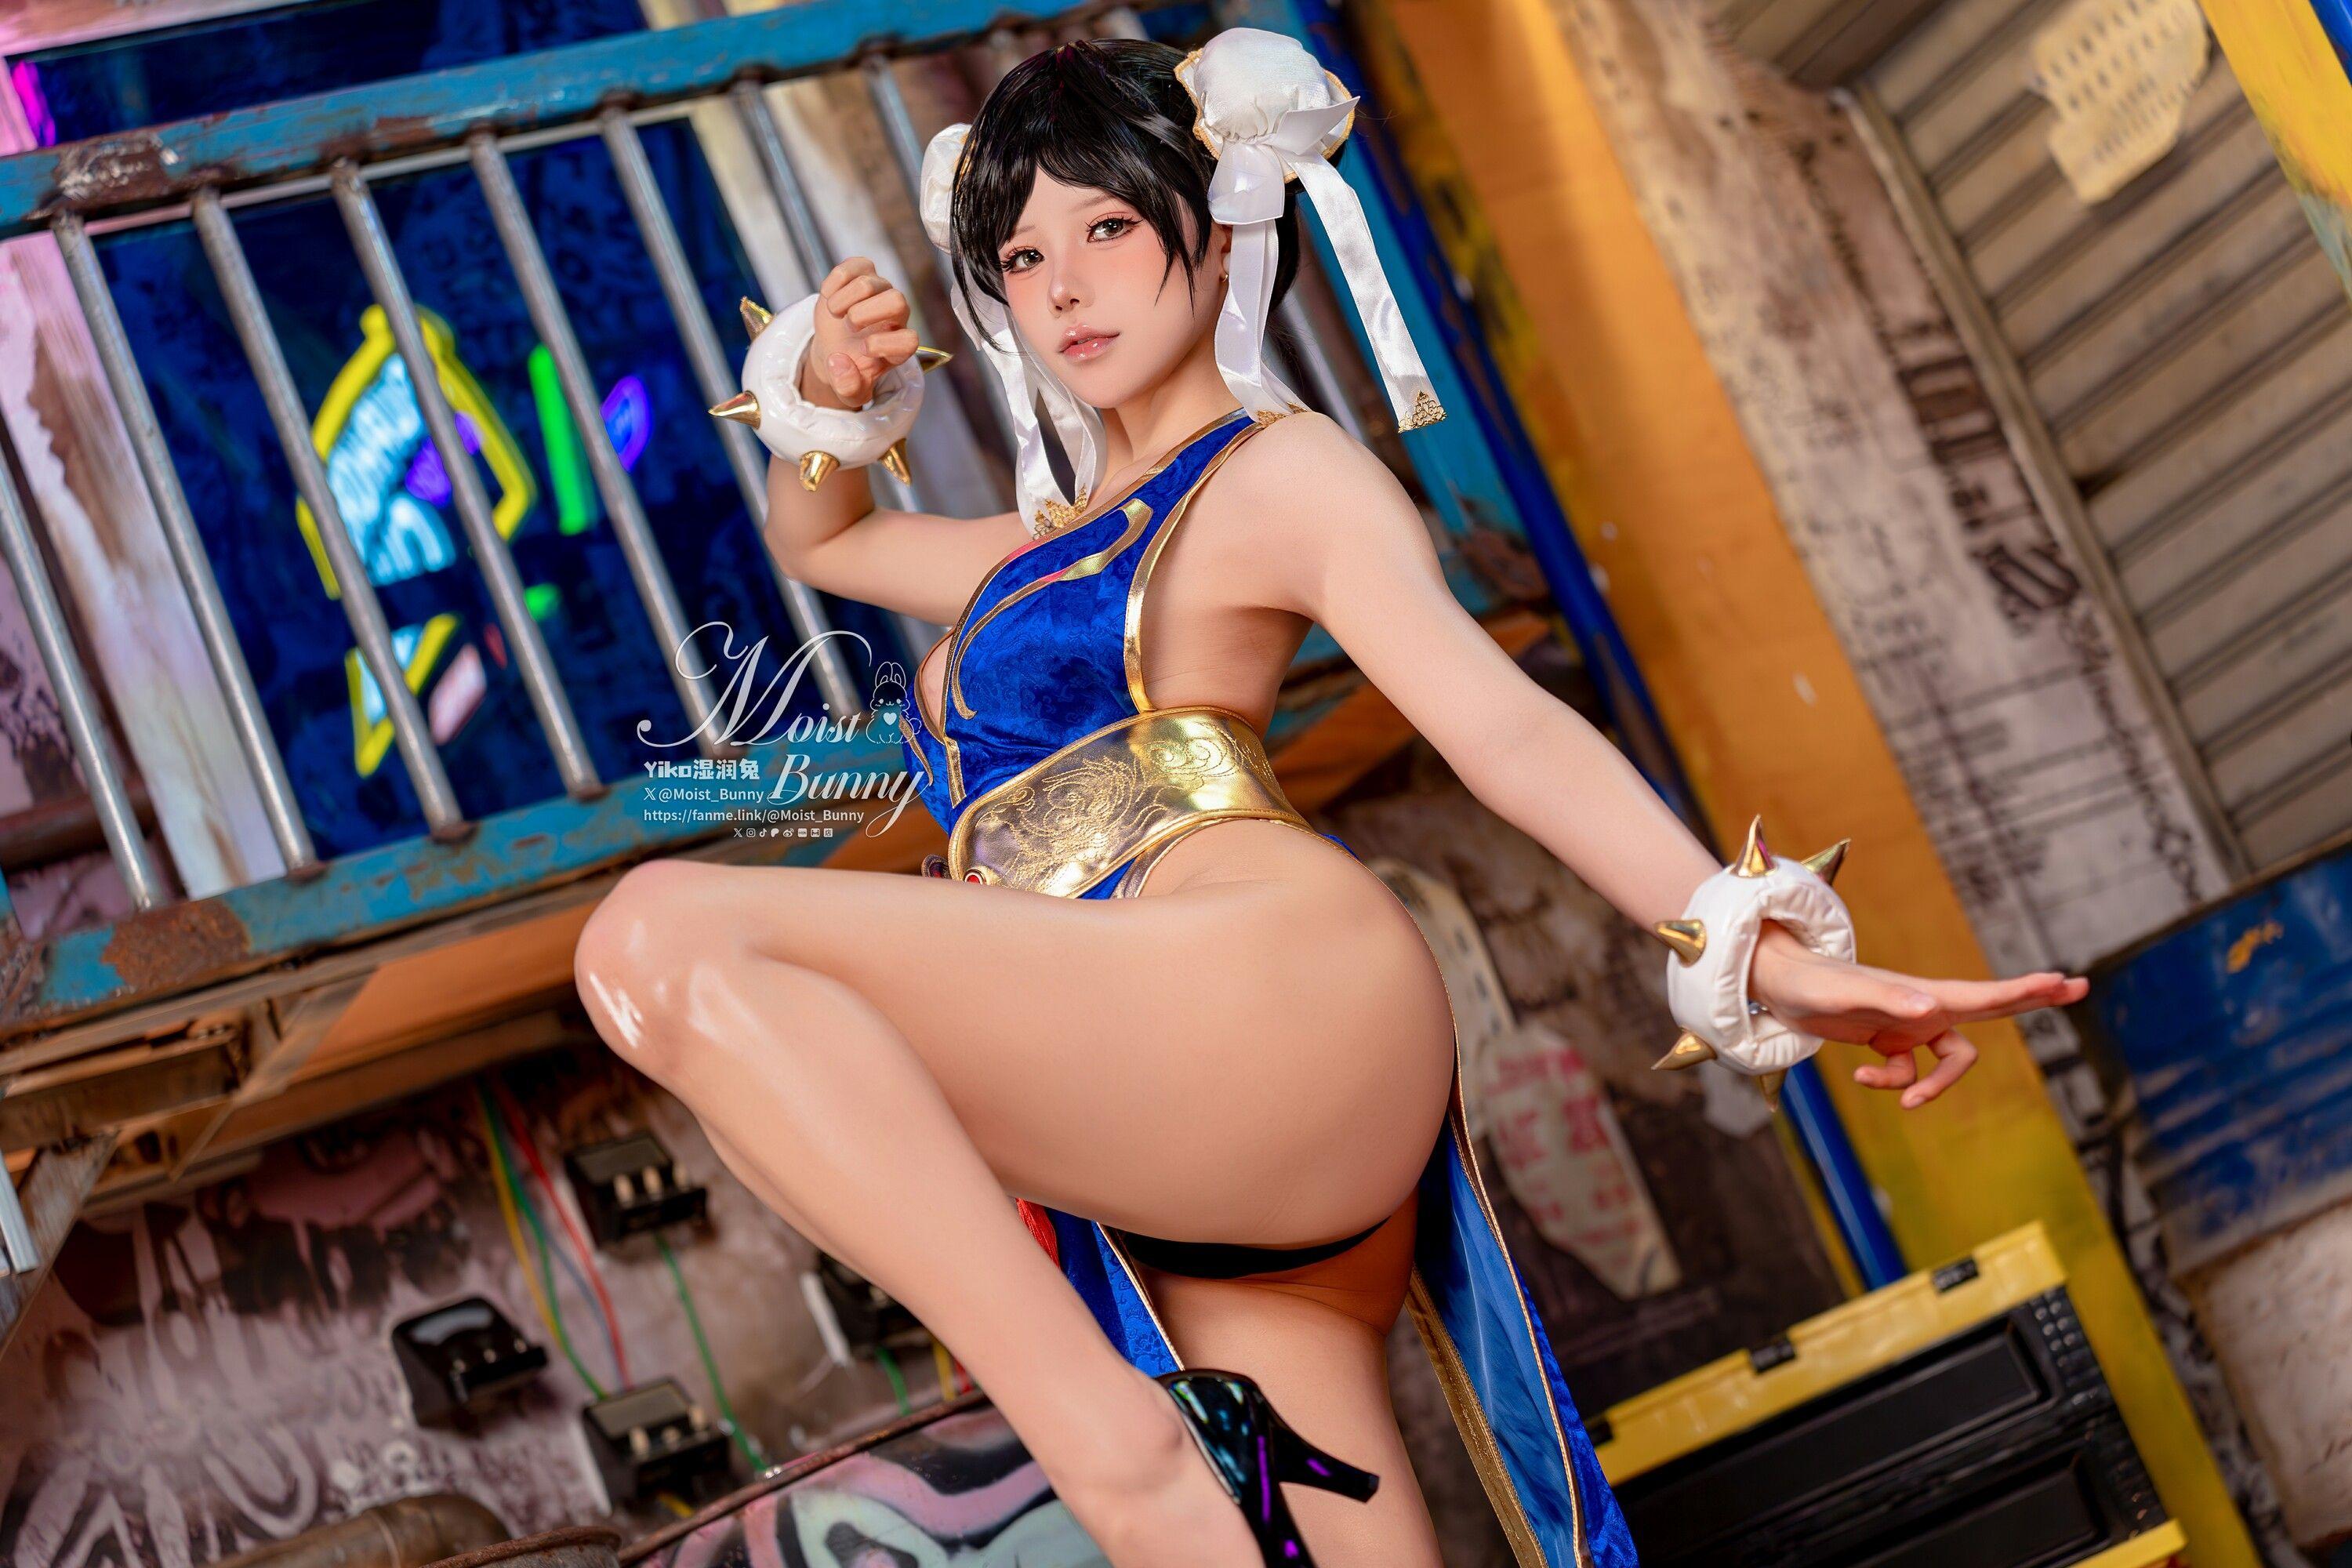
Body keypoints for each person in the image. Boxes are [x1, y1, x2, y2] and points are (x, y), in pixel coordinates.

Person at [572, 29, 2089, 1568]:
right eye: (1023, 257)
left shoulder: (1280, 477)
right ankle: (1149, 1460)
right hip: (1187, 1122)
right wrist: (828, 397)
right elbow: (826, 543)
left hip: (1261, 995)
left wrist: (1758, 945)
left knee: (658, 936)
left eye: (1109, 227)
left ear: (1226, 227)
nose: (1067, 288)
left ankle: (1113, 1445)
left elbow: (1505, 729)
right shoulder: (1032, 548)